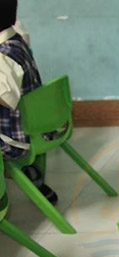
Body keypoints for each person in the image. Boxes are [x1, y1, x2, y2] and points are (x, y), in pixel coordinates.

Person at [0, 0, 56, 203]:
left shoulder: (2, 57)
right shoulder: (17, 37)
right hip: (38, 127)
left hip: (14, 140)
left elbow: (6, 98)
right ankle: (30, 174)